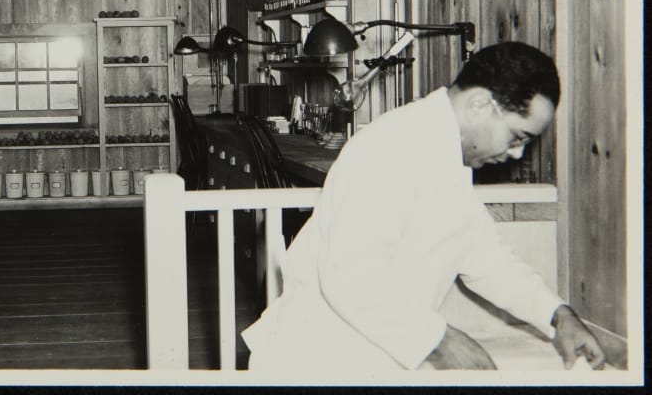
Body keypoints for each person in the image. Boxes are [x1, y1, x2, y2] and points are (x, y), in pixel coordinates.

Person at [242, 41, 606, 375]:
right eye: (517, 136)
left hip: (370, 355)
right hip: (317, 360)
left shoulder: (447, 157)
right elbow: (350, 274)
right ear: (480, 105)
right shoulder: (394, 146)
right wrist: (440, 341)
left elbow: (485, 258)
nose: (517, 153)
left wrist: (557, 315)